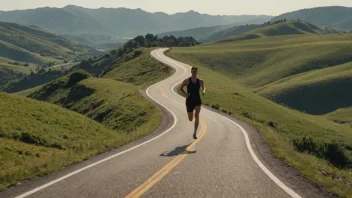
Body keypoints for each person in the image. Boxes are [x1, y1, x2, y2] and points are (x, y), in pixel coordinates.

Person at [180, 66, 206, 139]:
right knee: (190, 119)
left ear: (197, 72)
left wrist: (203, 91)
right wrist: (185, 93)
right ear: (191, 71)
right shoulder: (187, 80)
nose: (195, 72)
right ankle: (192, 114)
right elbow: (181, 88)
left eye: (196, 71)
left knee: (197, 114)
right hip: (189, 101)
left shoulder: (200, 81)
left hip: (197, 100)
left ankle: (194, 133)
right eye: (193, 71)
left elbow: (203, 87)